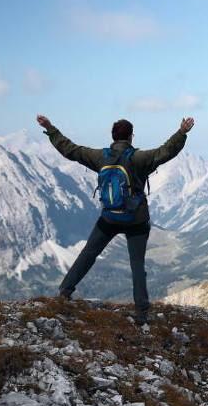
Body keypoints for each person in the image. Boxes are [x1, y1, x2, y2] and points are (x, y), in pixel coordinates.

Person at [36, 113, 195, 327]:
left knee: (89, 253)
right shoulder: (139, 158)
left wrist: (51, 129)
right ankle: (141, 312)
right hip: (136, 220)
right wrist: (182, 132)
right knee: (137, 264)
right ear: (131, 137)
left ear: (113, 137)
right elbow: (166, 152)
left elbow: (70, 150)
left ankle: (65, 291)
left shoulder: (100, 157)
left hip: (109, 218)